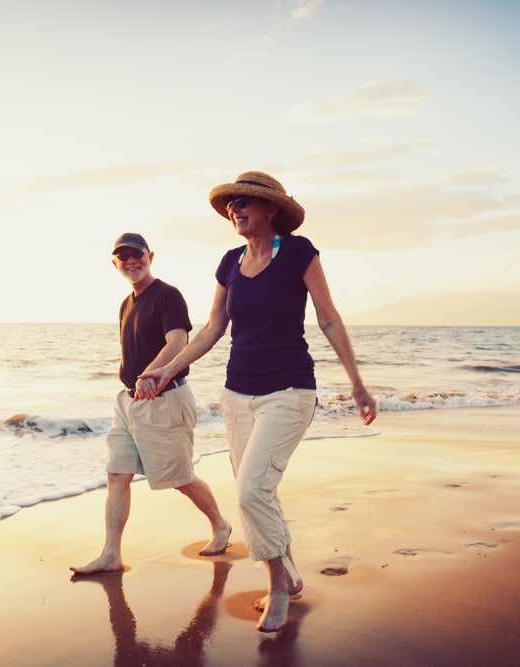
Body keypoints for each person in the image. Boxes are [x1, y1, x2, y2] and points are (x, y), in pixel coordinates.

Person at [139, 172, 377, 633]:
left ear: (271, 210)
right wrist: (165, 370)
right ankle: (289, 570)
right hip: (236, 396)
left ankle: (279, 588)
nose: (235, 210)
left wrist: (357, 383)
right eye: (231, 205)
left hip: (289, 392)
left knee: (250, 490)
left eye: (244, 202)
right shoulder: (230, 262)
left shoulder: (300, 253)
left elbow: (328, 318)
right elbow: (211, 329)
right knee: (260, 490)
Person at [70, 232, 233, 575]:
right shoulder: (126, 304)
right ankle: (111, 554)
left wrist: (151, 374)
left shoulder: (167, 296)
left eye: (137, 254)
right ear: (115, 263)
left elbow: (178, 341)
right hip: (127, 403)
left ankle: (220, 524)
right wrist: (134, 381)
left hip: (165, 399)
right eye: (123, 257)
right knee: (117, 474)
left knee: (180, 477)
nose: (131, 261)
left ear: (151, 256)